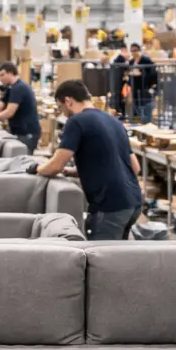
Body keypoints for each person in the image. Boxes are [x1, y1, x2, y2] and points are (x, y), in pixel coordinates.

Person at [32, 79, 143, 239]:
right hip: (133, 203)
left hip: (110, 205)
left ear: (68, 101)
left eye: (61, 107)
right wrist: (73, 172)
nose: (62, 113)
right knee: (119, 258)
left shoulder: (76, 122)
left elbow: (55, 166)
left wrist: (37, 168)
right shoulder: (113, 121)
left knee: (99, 259)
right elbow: (134, 167)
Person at [0, 60, 40, 153]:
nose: (0, 78)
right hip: (17, 131)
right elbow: (1, 105)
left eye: (2, 75)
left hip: (26, 133)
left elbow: (9, 112)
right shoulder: (10, 88)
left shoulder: (19, 88)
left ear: (10, 73)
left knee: (22, 161)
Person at [126, 43, 157, 124]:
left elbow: (153, 73)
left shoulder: (146, 60)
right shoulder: (131, 61)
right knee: (136, 105)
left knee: (146, 104)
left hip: (145, 86)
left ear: (139, 50)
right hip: (135, 86)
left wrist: (142, 73)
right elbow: (129, 72)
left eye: (135, 50)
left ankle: (147, 122)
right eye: (132, 51)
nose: (133, 52)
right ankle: (139, 121)